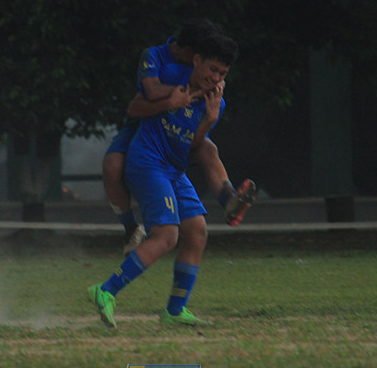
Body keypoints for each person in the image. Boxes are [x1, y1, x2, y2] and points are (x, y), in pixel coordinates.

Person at [89, 32, 239, 327]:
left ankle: (174, 310)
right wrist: (172, 99)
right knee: (167, 235)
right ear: (196, 60)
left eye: (222, 73)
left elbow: (193, 146)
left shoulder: (216, 103)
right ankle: (105, 290)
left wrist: (208, 120)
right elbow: (138, 104)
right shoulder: (170, 76)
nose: (216, 78)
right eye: (212, 69)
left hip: (174, 168)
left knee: (197, 232)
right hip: (147, 161)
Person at [102, 20, 256, 255]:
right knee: (112, 166)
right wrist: (184, 95)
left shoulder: (203, 80)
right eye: (209, 64)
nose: (214, 75)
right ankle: (131, 227)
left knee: (208, 149)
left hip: (177, 134)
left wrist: (207, 115)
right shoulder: (159, 60)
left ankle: (230, 200)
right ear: (192, 55)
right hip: (146, 125)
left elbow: (194, 139)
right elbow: (147, 96)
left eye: (220, 72)